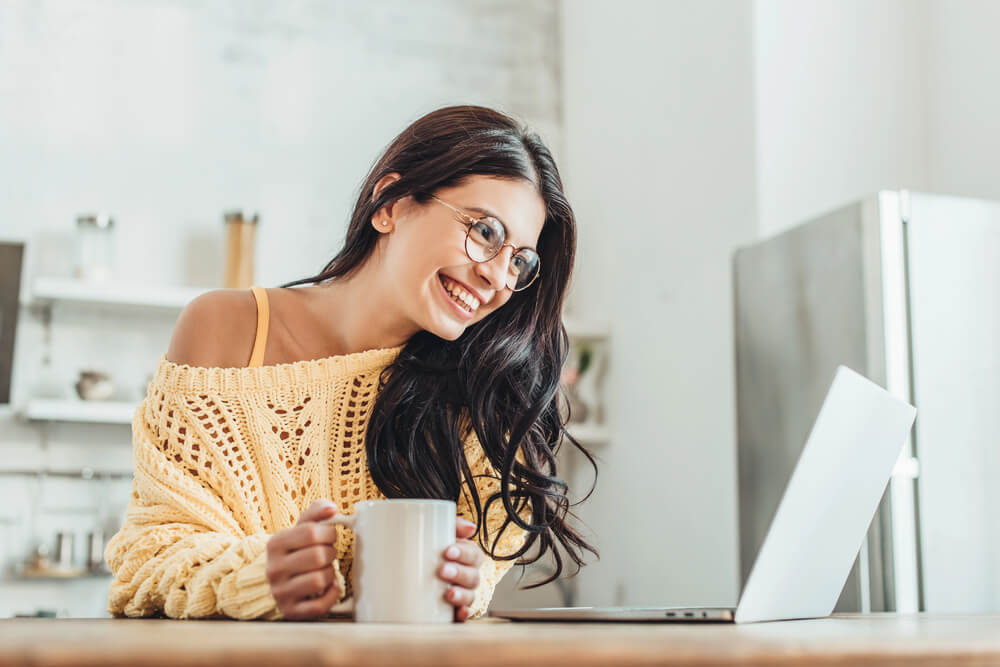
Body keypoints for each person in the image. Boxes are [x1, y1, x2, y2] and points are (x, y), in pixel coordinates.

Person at [104, 105, 599, 622]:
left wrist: (465, 583)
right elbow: (148, 559)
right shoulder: (226, 329)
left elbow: (479, 570)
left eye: (520, 260)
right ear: (391, 204)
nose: (499, 278)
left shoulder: (485, 393)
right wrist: (256, 576)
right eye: (487, 233)